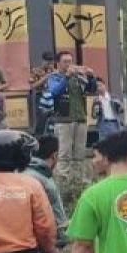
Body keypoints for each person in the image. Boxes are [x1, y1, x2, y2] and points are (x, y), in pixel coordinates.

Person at [44, 51, 98, 181]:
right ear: (58, 63)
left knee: (80, 154)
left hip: (80, 118)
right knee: (64, 154)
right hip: (63, 120)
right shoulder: (54, 77)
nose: (68, 64)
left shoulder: (78, 77)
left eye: (70, 61)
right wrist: (66, 77)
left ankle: (78, 182)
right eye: (65, 61)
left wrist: (91, 77)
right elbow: (54, 91)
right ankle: (63, 183)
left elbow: (91, 90)